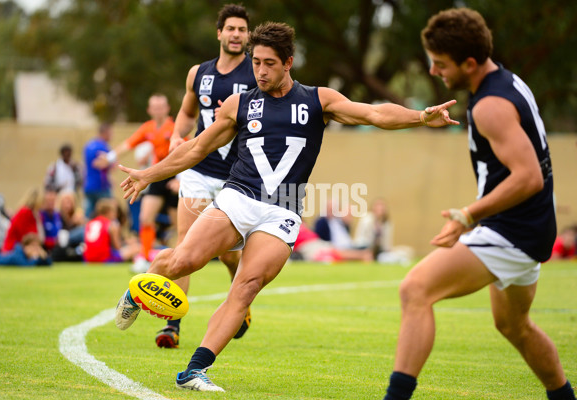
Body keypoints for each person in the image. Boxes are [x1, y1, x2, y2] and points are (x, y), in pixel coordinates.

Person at [115, 21, 457, 392]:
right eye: (256, 62)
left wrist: (421, 116)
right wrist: (150, 174)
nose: (260, 71)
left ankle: (195, 370)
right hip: (238, 198)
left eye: (269, 64)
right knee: (183, 262)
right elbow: (197, 148)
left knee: (245, 288)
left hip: (284, 210)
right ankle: (138, 289)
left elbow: (373, 114)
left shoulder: (317, 100)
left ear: (288, 62)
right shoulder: (240, 103)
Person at [381, 8, 575, 400]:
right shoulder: (508, 80)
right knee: (513, 326)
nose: (434, 73)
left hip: (512, 229)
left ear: (469, 63)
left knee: (414, 289)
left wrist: (470, 214)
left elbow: (528, 176)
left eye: (440, 64)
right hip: (530, 227)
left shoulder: (489, 106)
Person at [154, 3, 258, 350]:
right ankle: (172, 324)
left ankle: (239, 303)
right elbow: (186, 114)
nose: (236, 34)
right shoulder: (198, 73)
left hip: (237, 177)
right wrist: (175, 136)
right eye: (231, 28)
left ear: (247, 36)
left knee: (229, 255)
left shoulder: (257, 75)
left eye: (242, 30)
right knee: (185, 246)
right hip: (199, 172)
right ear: (219, 33)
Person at [94, 94, 179, 270]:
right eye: (154, 107)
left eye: (161, 106)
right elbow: (129, 144)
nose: (157, 110)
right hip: (157, 175)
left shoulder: (176, 127)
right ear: (149, 110)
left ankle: (184, 259)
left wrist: (180, 179)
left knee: (181, 225)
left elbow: (187, 153)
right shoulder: (148, 128)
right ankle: (145, 257)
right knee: (145, 218)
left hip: (176, 177)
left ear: (167, 108)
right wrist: (109, 158)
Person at [83, 198, 140, 263]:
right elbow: (118, 247)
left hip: (88, 258)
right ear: (108, 212)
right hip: (104, 258)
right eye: (114, 212)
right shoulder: (111, 225)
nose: (115, 215)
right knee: (136, 248)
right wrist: (127, 243)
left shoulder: (90, 223)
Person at [293, 222, 373, 263]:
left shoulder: (302, 225)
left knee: (336, 250)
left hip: (316, 242)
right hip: (306, 246)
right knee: (334, 254)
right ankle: (361, 256)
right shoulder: (291, 229)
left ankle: (362, 255)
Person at [83, 123, 114, 218]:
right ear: (105, 133)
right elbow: (101, 164)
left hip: (88, 185)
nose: (112, 136)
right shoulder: (103, 147)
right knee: (108, 213)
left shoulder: (88, 145)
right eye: (110, 133)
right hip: (101, 186)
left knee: (89, 215)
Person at [2, 187, 45, 253]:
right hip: (14, 249)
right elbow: (25, 237)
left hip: (27, 247)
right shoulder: (25, 213)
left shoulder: (36, 214)